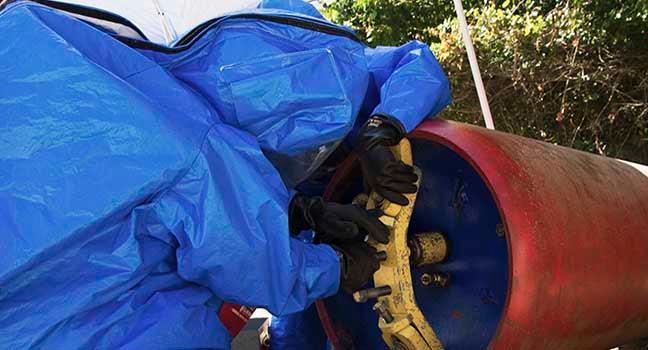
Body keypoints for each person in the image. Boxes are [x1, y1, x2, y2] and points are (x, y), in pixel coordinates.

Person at [0, 0, 450, 348]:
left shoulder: (37, 44)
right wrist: (332, 267)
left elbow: (409, 66)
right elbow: (222, 221)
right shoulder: (193, 122)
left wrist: (380, 127)